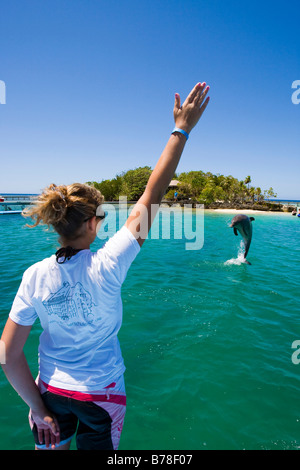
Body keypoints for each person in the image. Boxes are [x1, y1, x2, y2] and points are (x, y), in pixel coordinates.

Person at [0, 82, 210, 450]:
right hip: (101, 395)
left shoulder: (34, 275)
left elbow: (7, 354)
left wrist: (37, 408)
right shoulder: (109, 265)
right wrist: (181, 130)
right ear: (93, 223)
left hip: (49, 391)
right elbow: (153, 194)